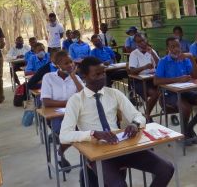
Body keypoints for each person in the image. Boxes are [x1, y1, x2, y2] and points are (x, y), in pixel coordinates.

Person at [59, 57, 174, 186]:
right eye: (97, 74)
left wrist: (134, 124)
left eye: (103, 73)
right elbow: (64, 135)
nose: (102, 77)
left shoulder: (114, 93)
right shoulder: (76, 100)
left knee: (167, 169)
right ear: (85, 76)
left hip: (122, 146)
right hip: (98, 154)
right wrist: (93, 133)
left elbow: (138, 116)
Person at [154, 37, 197, 144]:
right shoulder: (163, 61)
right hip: (169, 94)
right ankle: (185, 133)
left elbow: (196, 76)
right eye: (173, 47)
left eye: (178, 46)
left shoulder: (185, 59)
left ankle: (188, 129)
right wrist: (177, 79)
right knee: (186, 107)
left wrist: (191, 58)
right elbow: (156, 81)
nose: (176, 49)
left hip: (186, 91)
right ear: (168, 48)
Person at [41, 51, 83, 170]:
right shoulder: (48, 78)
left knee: (84, 129)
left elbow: (84, 96)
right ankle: (59, 149)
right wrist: (70, 102)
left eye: (71, 62)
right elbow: (46, 102)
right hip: (56, 116)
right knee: (70, 131)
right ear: (57, 65)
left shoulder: (76, 77)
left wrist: (74, 77)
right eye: (66, 63)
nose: (70, 65)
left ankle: (60, 152)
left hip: (75, 114)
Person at [127, 33, 160, 122]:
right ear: (136, 44)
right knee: (155, 94)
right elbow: (132, 71)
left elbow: (160, 65)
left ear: (146, 39)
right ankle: (147, 115)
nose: (142, 43)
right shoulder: (134, 54)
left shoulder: (151, 51)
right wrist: (144, 67)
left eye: (143, 40)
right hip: (139, 81)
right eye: (139, 42)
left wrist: (152, 53)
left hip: (153, 78)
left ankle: (147, 114)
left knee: (164, 91)